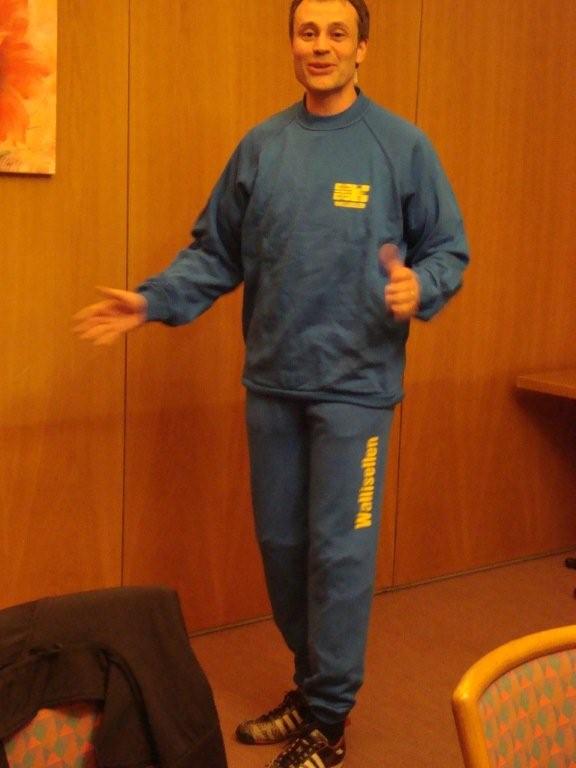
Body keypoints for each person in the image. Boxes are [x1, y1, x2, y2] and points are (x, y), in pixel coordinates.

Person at [74, 0, 469, 766]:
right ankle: (311, 688)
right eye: (307, 31)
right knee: (284, 549)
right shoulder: (263, 147)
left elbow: (447, 248)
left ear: (362, 48)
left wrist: (422, 285)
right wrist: (152, 300)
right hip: (274, 383)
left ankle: (330, 718)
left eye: (336, 33)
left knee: (339, 556)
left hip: (355, 389)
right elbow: (217, 253)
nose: (320, 45)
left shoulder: (399, 147)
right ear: (292, 43)